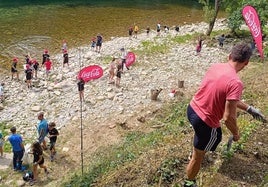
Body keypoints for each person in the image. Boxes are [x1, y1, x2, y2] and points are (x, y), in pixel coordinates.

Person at [184, 43, 266, 187]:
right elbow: (228, 118)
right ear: (246, 63)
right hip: (206, 122)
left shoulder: (215, 67)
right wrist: (236, 134)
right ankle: (189, 182)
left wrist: (249, 109)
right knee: (202, 151)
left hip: (191, 109)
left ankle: (196, 148)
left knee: (201, 139)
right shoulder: (235, 82)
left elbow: (225, 97)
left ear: (229, 56)